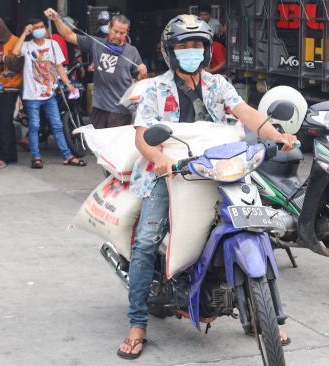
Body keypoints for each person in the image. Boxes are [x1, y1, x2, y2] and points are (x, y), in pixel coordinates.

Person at [117, 14, 296, 360]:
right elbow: (142, 136)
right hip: (170, 173)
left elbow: (246, 113)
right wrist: (158, 158)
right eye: (183, 46)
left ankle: (264, 316)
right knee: (146, 241)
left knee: (255, 226)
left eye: (197, 45)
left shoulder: (219, 85)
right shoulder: (155, 88)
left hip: (219, 169)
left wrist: (277, 135)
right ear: (171, 52)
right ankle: (137, 323)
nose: (191, 51)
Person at [46, 8, 147, 129]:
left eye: (122, 33)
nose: (118, 36)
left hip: (121, 110)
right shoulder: (96, 43)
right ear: (109, 27)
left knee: (115, 146)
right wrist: (56, 19)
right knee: (98, 145)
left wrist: (143, 73)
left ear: (127, 32)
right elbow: (68, 35)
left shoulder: (132, 51)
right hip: (99, 108)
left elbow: (139, 78)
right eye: (115, 31)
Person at [12, 18, 87, 169]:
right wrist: (24, 33)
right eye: (35, 28)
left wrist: (68, 84)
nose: (39, 30)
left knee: (58, 126)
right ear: (31, 31)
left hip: (50, 94)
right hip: (32, 96)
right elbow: (15, 52)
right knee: (34, 126)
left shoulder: (53, 44)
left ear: (46, 28)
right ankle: (36, 157)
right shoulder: (27, 46)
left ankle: (67, 156)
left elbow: (59, 67)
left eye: (41, 27)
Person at [0, 16, 24, 169]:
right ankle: (11, 156)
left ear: (2, 30)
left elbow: (19, 65)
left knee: (3, 122)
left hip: (10, 88)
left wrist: (4, 58)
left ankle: (3, 157)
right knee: (4, 122)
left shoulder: (15, 41)